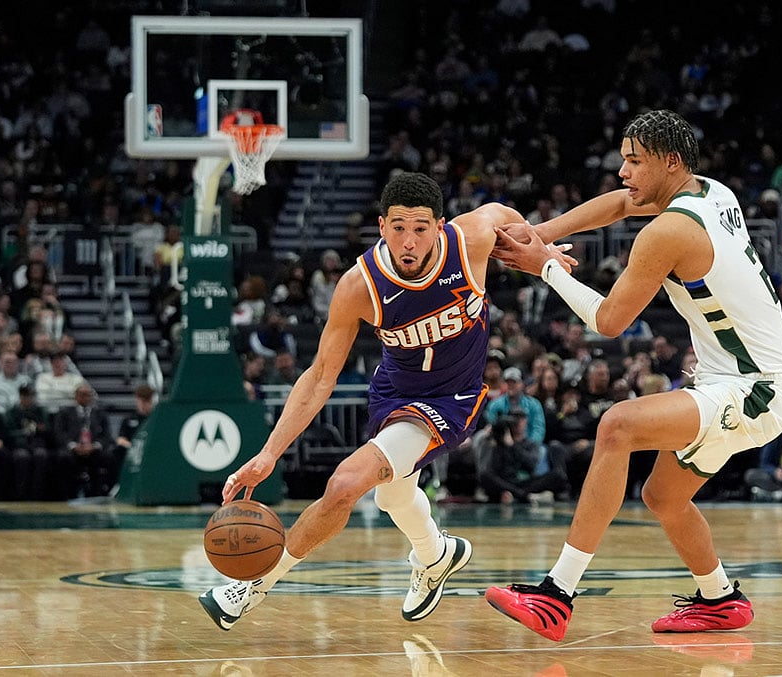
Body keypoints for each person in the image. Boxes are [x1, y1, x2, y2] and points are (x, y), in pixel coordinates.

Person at [485, 109, 782, 640]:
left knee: (617, 426)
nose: (622, 172)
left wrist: (546, 267)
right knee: (662, 498)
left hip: (754, 390)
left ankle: (556, 596)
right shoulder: (710, 192)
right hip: (733, 381)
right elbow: (617, 204)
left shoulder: (668, 232)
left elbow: (609, 321)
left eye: (634, 161)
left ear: (670, 162)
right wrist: (541, 233)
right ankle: (721, 599)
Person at [199, 171, 538, 631]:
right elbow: (320, 376)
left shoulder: (471, 240)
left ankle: (253, 585)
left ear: (440, 226)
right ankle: (436, 555)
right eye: (398, 227)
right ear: (382, 227)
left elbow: (514, 221)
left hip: (452, 397)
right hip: (394, 394)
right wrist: (268, 454)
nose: (409, 241)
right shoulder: (359, 286)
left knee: (345, 486)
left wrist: (543, 257)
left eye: (421, 228)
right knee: (392, 495)